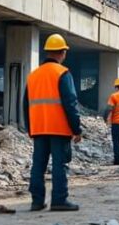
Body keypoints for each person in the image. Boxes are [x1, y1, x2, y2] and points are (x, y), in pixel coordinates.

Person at [23, 33, 82, 212]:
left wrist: (30, 129)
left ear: (48, 52)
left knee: (38, 165)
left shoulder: (33, 76)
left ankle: (37, 201)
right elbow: (70, 103)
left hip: (39, 128)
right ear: (62, 52)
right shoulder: (63, 73)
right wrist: (76, 128)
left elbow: (26, 105)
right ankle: (59, 200)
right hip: (59, 128)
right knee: (59, 164)